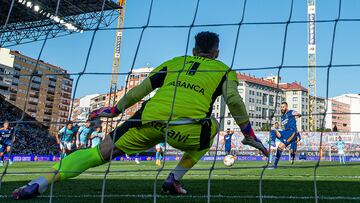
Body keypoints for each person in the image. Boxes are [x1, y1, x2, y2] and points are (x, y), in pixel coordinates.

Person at [13, 31, 268, 199]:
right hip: (187, 130)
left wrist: (115, 110)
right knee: (212, 125)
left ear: (193, 50)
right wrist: (248, 134)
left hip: (147, 120)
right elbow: (233, 99)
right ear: (216, 52)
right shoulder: (223, 69)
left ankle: (40, 182)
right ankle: (174, 179)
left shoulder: (174, 61)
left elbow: (141, 90)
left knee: (98, 153)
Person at [269, 102, 301, 168]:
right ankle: (272, 142)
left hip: (291, 132)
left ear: (286, 107)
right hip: (286, 132)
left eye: (283, 107)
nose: (282, 108)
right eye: (281, 107)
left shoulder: (290, 112)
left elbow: (298, 114)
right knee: (273, 130)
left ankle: (291, 156)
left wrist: (296, 115)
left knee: (284, 148)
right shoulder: (282, 117)